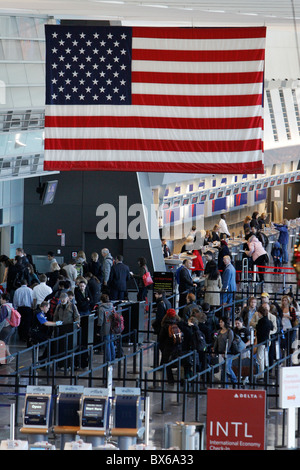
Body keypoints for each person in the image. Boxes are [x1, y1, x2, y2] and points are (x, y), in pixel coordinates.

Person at [158, 308, 183, 385]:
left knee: (167, 364)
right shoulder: (179, 323)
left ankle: (170, 380)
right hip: (178, 346)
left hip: (168, 348)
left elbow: (161, 338)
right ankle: (180, 379)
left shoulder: (165, 325)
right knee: (178, 362)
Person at [212, 316, 237, 387]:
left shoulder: (229, 332)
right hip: (220, 352)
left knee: (227, 368)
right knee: (223, 369)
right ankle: (225, 385)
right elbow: (216, 341)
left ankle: (234, 381)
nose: (220, 323)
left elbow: (229, 343)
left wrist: (225, 351)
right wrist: (214, 350)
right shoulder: (218, 331)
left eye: (221, 322)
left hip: (228, 353)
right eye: (219, 322)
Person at [255, 305, 273, 380]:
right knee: (265, 358)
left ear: (261, 313)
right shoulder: (269, 321)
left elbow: (258, 331)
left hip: (261, 342)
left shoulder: (261, 321)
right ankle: (265, 374)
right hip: (266, 341)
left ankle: (261, 375)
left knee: (260, 359)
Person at [97, 293, 116, 362]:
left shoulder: (101, 308)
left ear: (101, 300)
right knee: (111, 342)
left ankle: (108, 360)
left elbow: (100, 320)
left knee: (106, 343)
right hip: (112, 326)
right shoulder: (112, 306)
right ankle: (113, 358)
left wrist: (98, 329)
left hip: (105, 328)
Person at [0, 293, 16, 362]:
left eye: (1, 298)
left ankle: (2, 359)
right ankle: (9, 357)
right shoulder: (11, 306)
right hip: (11, 327)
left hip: (5, 327)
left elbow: (1, 318)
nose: (0, 300)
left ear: (4, 299)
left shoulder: (4, 307)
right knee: (5, 343)